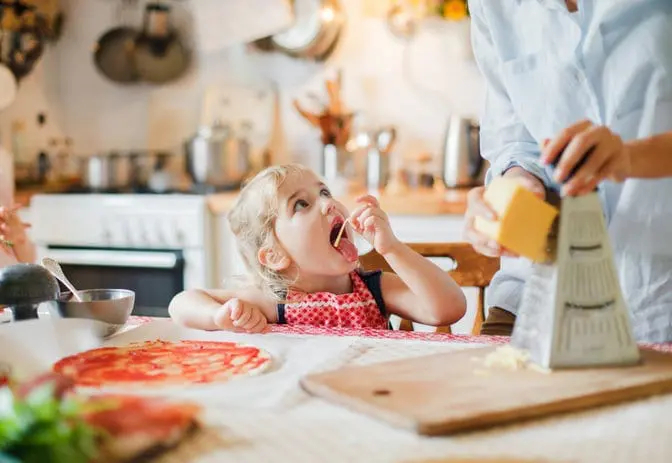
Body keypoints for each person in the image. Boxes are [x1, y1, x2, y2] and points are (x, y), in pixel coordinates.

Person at [463, 0, 672, 342]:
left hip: (659, 301)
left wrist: (631, 156)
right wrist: (515, 188)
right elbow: (515, 141)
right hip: (534, 302)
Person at [170, 163, 467, 333]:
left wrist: (392, 248)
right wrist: (217, 316)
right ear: (274, 255)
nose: (328, 204)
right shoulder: (273, 302)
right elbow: (181, 303)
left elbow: (449, 309)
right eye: (301, 204)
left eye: (324, 191)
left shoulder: (374, 291)